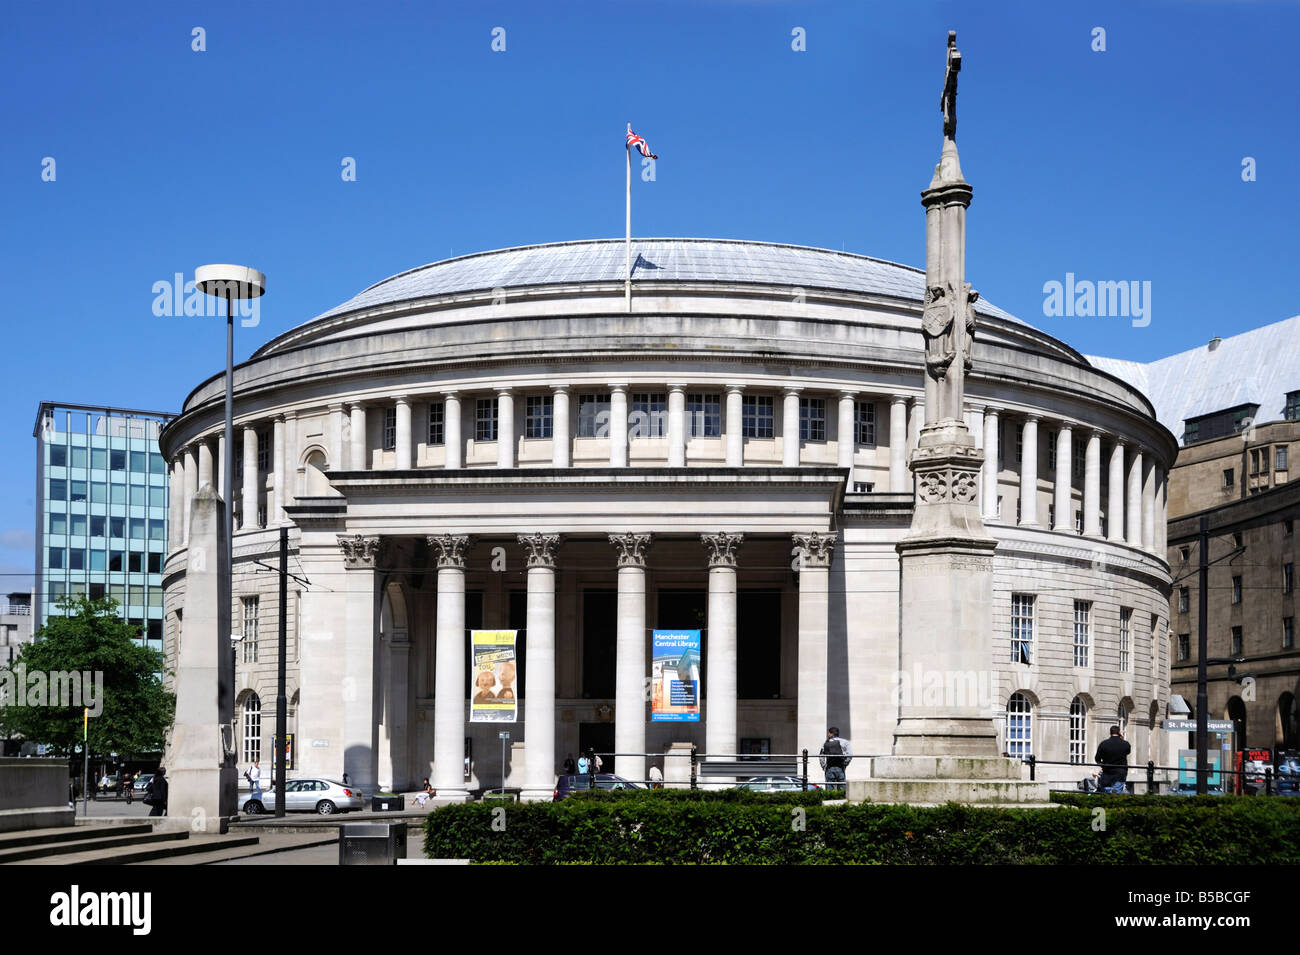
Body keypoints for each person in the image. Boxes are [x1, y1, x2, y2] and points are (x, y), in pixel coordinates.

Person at [1095, 725, 1131, 793]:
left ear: (1110, 732)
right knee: (1117, 792)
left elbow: (1097, 759)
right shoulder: (1125, 744)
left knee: (1106, 791)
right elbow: (1128, 752)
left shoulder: (1103, 744)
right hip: (1120, 772)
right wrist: (1121, 738)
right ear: (1119, 732)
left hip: (1107, 772)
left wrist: (1103, 765)